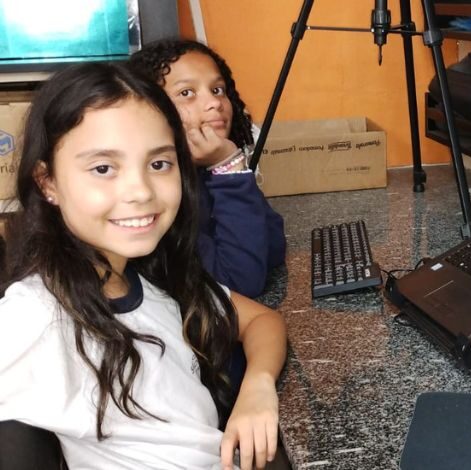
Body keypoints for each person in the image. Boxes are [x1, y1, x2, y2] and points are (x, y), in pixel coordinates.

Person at [0, 62, 286, 470]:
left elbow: (263, 321)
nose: (140, 191)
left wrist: (257, 387)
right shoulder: (35, 313)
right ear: (48, 183)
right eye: (103, 168)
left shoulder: (150, 279)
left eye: (158, 164)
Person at [128, 39, 286, 299]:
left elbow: (274, 246)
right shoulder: (160, 191)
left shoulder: (203, 169)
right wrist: (229, 170)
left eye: (218, 89)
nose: (214, 103)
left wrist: (230, 167)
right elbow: (240, 282)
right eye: (187, 93)